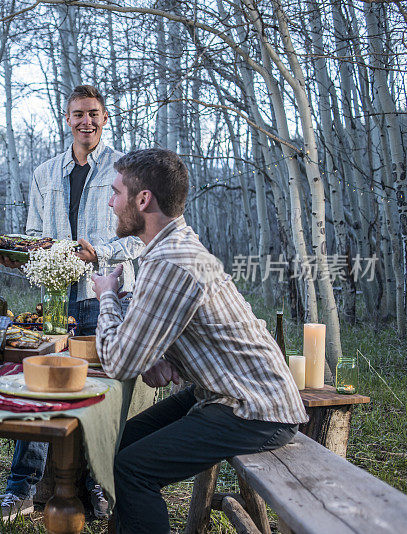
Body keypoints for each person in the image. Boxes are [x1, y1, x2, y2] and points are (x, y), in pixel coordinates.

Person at [91, 148, 308, 534]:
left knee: (131, 470)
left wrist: (106, 293)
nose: (110, 201)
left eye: (116, 192)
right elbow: (151, 334)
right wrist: (159, 352)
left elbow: (118, 363)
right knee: (118, 445)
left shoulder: (172, 261)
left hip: (254, 410)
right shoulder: (170, 248)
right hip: (221, 392)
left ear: (143, 200)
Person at [0, 85, 143, 523]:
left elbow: (137, 236)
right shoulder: (45, 173)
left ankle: (98, 484)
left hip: (107, 295)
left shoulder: (123, 169)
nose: (86, 122)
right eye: (78, 114)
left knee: (100, 393)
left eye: (93, 113)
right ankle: (20, 487)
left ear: (106, 117)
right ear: (67, 118)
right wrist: (23, 258)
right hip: (57, 299)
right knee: (41, 383)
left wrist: (100, 254)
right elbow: (35, 233)